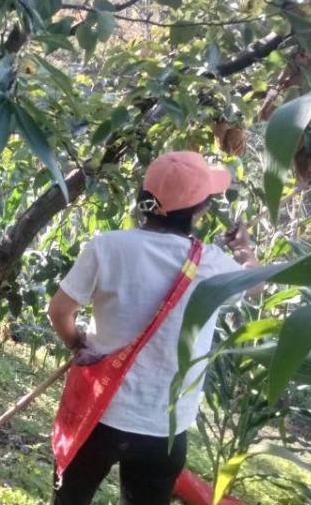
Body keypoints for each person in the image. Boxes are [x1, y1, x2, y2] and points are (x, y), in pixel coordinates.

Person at [47, 151, 261, 505]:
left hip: (98, 412)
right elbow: (255, 286)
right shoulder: (211, 263)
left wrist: (77, 345)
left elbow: (59, 311)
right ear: (200, 210)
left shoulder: (108, 246)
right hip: (163, 428)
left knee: (69, 499)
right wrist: (244, 251)